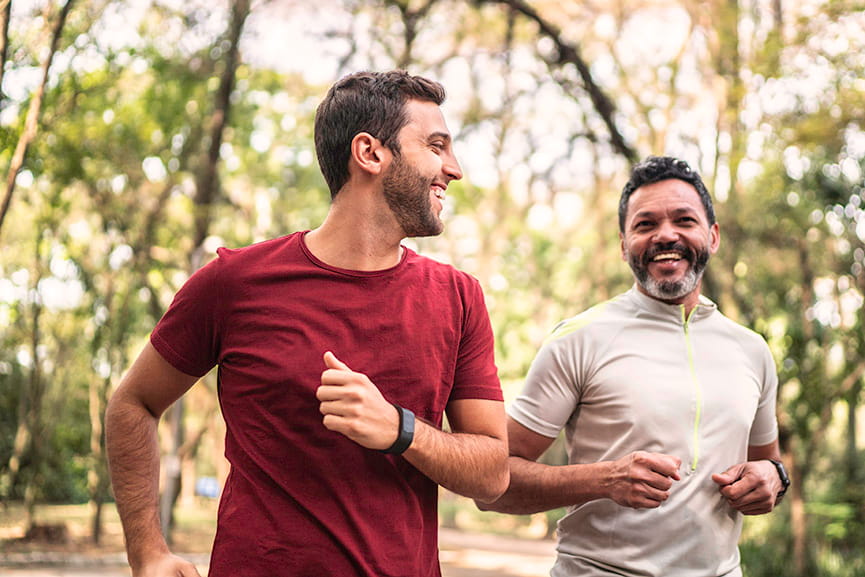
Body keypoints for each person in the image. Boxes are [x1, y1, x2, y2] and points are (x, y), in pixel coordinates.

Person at [105, 70, 509, 577]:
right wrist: (146, 552)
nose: (454, 168)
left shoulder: (459, 297)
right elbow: (133, 403)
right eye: (436, 145)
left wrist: (400, 429)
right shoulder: (235, 282)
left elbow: (492, 472)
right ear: (370, 153)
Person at [480, 156, 789, 577]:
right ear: (624, 244)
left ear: (712, 236)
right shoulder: (579, 338)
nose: (666, 235)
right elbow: (491, 485)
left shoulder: (751, 349)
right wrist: (602, 480)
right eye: (645, 225)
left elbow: (768, 464)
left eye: (684, 220)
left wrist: (774, 479)